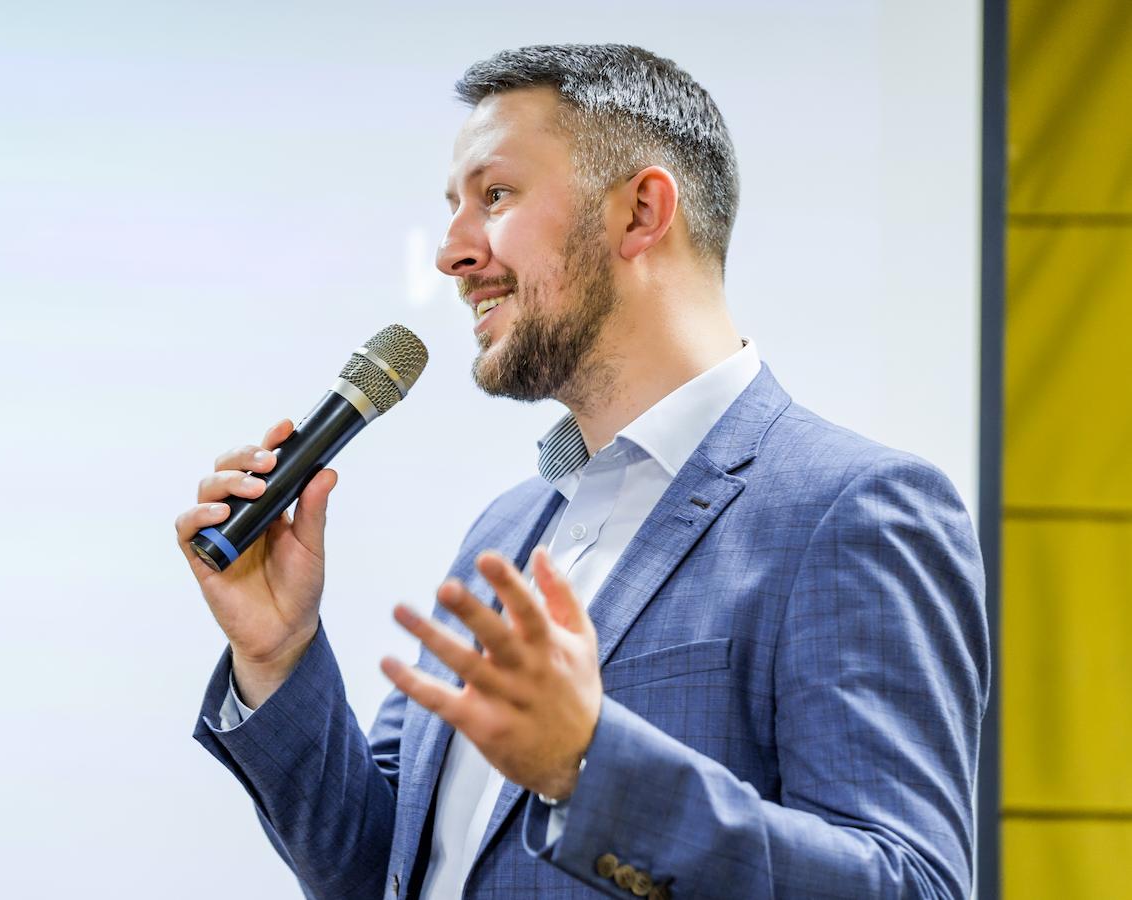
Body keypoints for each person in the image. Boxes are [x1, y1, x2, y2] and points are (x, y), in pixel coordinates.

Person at [175, 44, 990, 899]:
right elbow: (380, 871)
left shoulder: (855, 510)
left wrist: (590, 766)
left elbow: (912, 884)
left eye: (495, 196)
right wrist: (278, 654)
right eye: (454, 208)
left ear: (641, 212)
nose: (451, 253)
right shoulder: (504, 531)